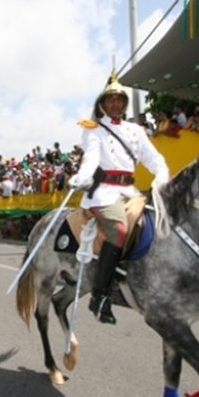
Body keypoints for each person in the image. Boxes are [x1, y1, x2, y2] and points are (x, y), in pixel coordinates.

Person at [68, 71, 170, 324]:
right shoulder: (93, 130)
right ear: (103, 104)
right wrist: (83, 175)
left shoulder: (136, 130)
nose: (115, 104)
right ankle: (100, 296)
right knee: (119, 230)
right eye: (110, 100)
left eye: (119, 100)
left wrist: (161, 175)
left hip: (131, 192)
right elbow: (91, 158)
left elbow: (154, 158)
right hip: (104, 193)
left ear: (124, 104)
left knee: (158, 225)